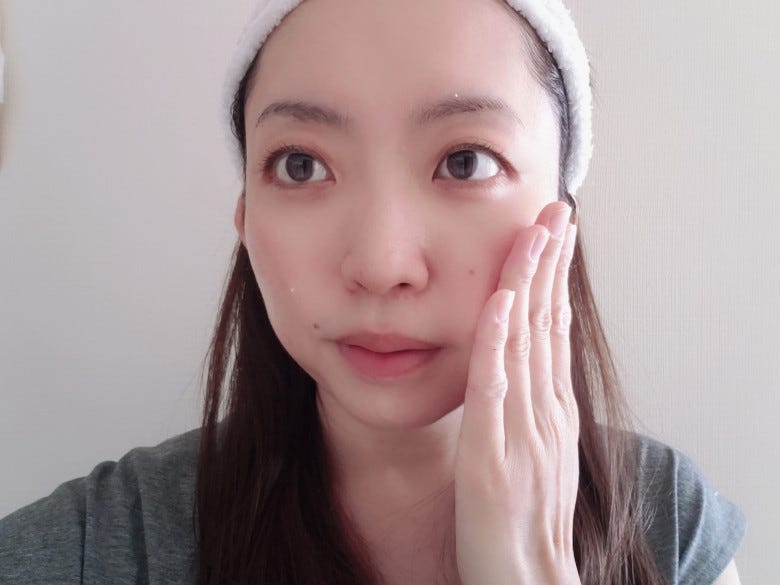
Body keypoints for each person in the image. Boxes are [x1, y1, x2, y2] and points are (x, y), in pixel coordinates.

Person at [0, 0, 747, 584]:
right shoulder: (96, 545)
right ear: (246, 220)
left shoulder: (670, 529)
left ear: (561, 213)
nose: (383, 264)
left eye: (464, 161)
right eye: (300, 165)